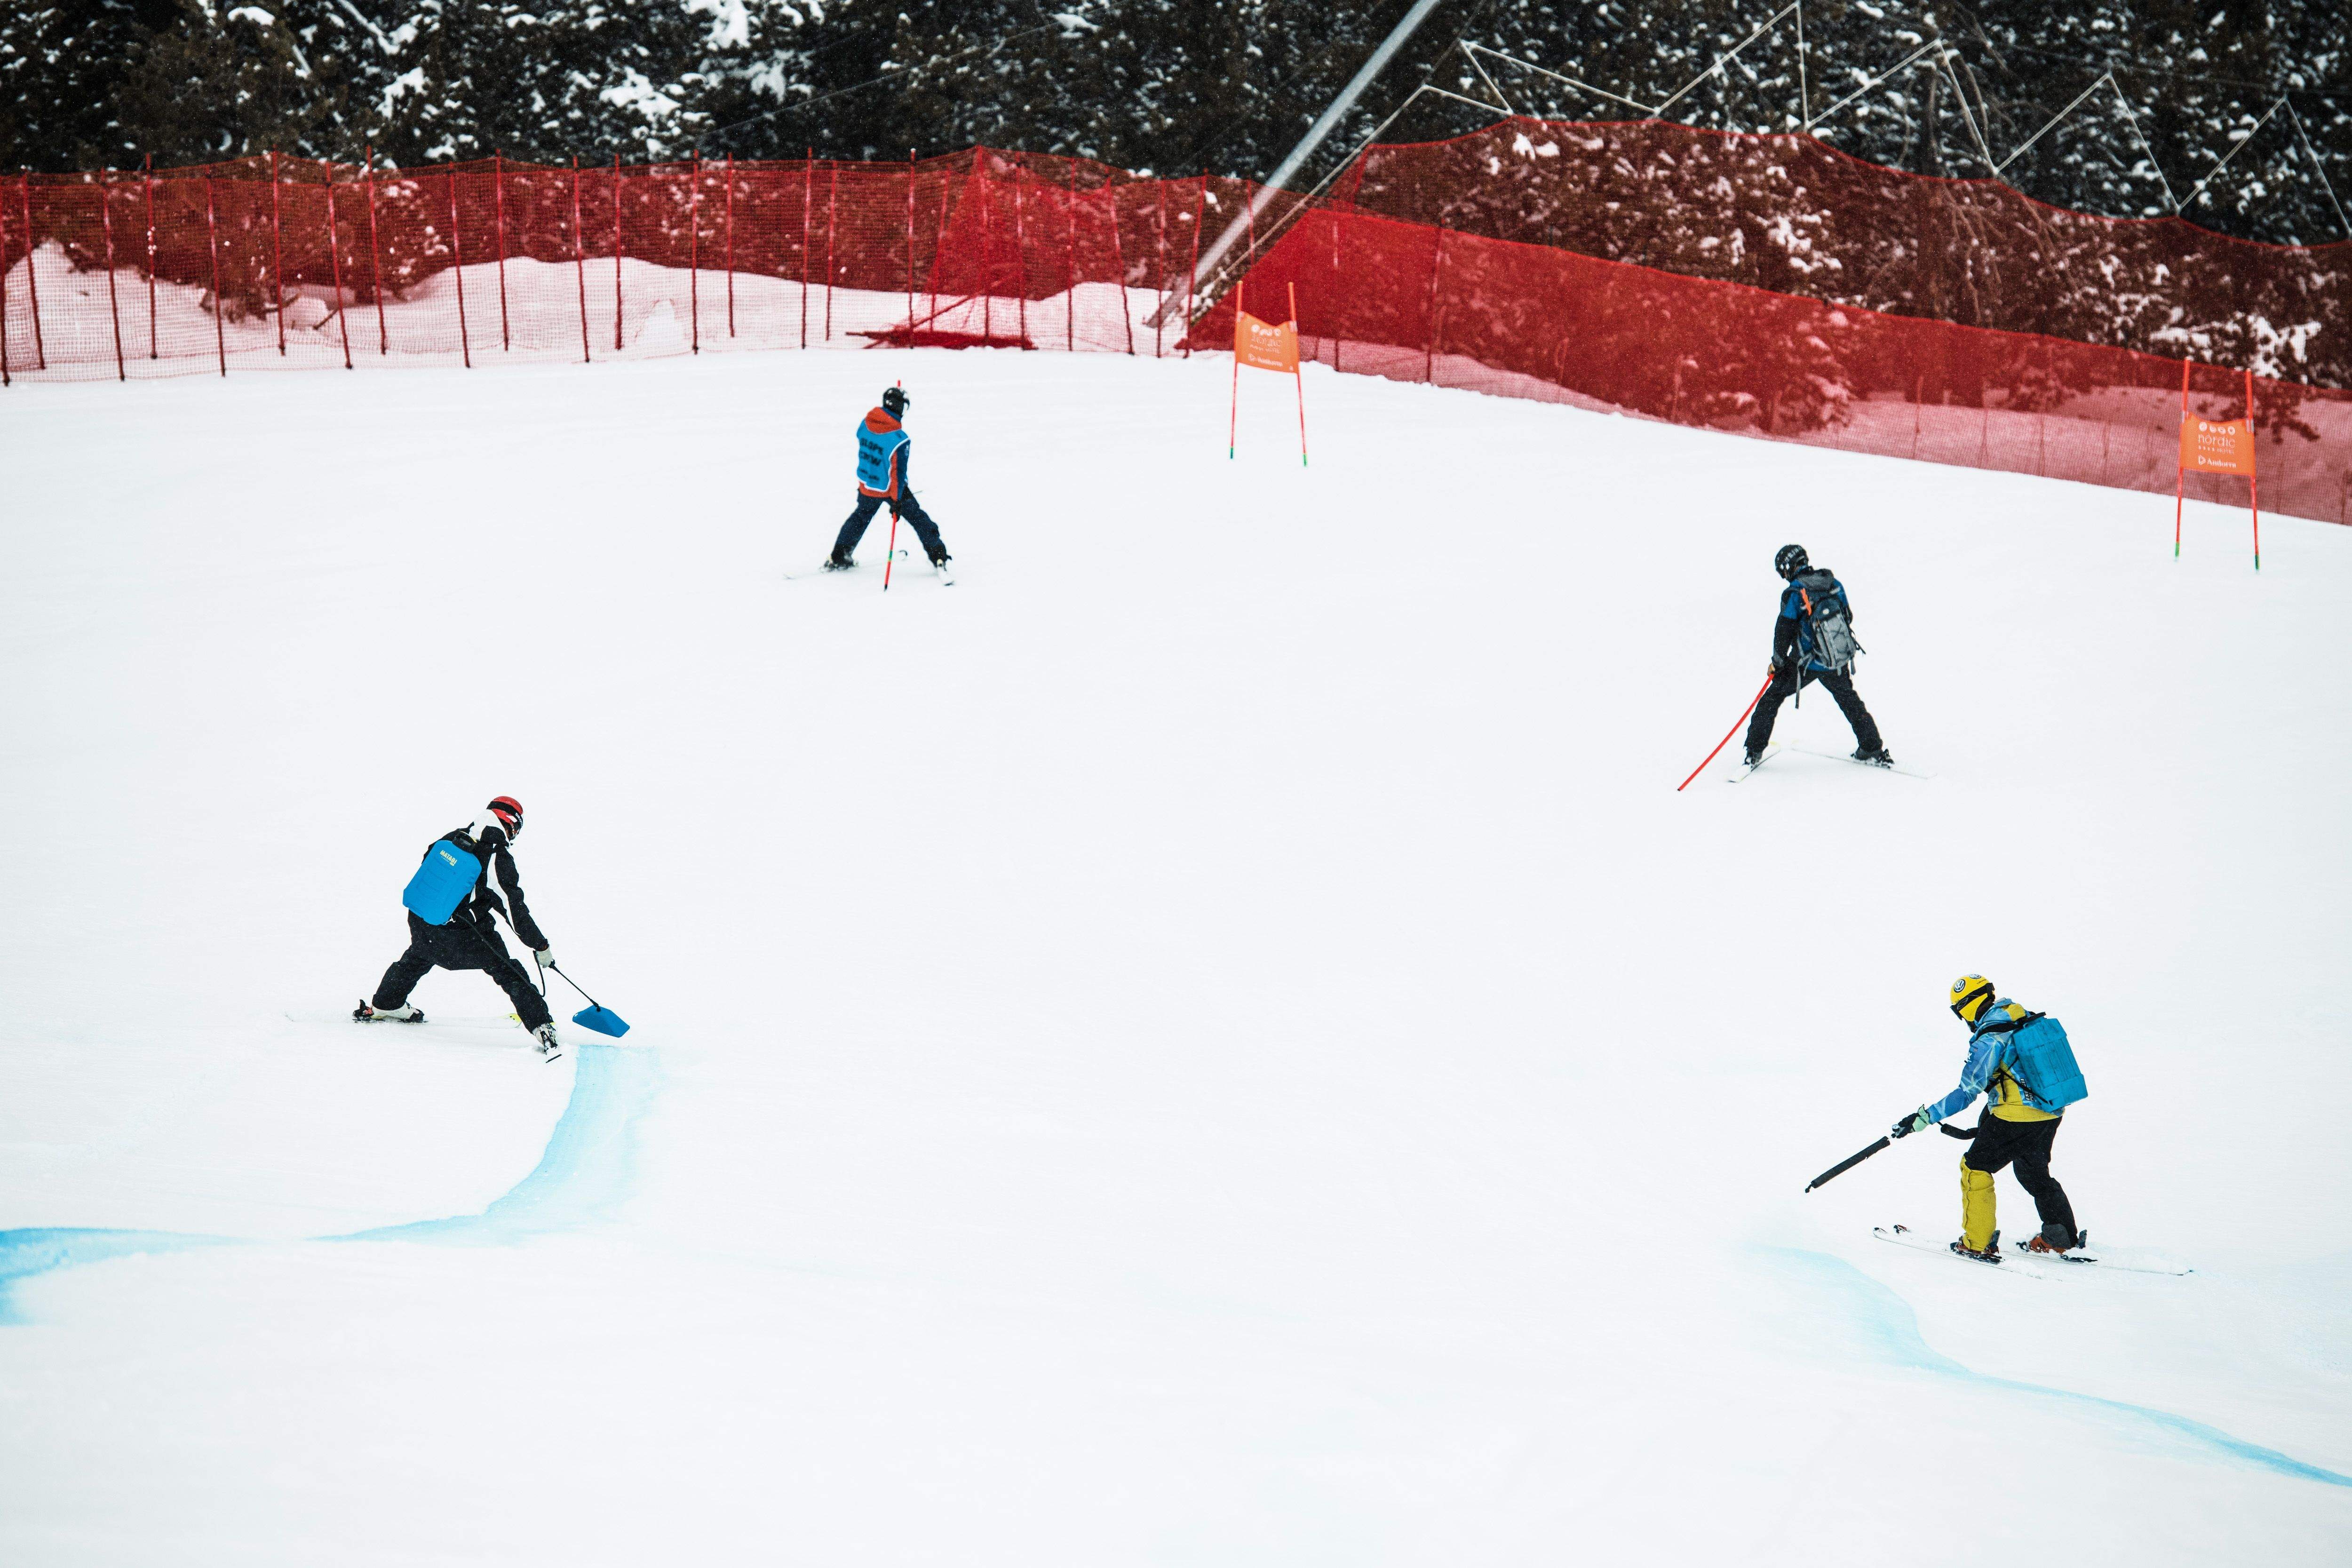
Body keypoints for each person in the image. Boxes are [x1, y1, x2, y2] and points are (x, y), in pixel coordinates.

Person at [355, 795, 562, 1060]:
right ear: (511, 824)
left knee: (417, 956)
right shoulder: (496, 856)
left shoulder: (452, 837)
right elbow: (514, 909)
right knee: (508, 971)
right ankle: (542, 1027)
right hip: (464, 938)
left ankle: (386, 1003)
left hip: (423, 924)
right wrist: (540, 946)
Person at [1890, 975, 2082, 1260]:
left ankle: (1977, 1242)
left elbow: (1967, 1091)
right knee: (2033, 1172)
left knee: (1975, 1168)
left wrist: (1924, 1118)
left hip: (2015, 1117)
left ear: (1966, 1006)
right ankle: (2060, 1237)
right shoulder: (2024, 1020)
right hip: (2050, 1111)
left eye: (1959, 1012)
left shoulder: (1990, 1038)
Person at [1743, 544, 1891, 768]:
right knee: (1849, 700)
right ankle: (1871, 747)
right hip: (1835, 659)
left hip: (1806, 663)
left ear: (1788, 568)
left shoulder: (1795, 593)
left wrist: (1778, 663)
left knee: (1771, 698)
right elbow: (1847, 616)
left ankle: (1753, 752)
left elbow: (1784, 630)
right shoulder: (1833, 583)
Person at [826, 386, 952, 573]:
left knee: (860, 518)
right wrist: (897, 500)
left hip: (868, 485)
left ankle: (838, 556)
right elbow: (897, 475)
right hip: (890, 489)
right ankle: (938, 556)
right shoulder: (900, 440)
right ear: (899, 408)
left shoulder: (865, 423)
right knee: (919, 520)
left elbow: (866, 442)